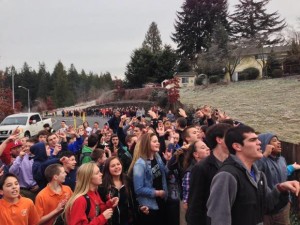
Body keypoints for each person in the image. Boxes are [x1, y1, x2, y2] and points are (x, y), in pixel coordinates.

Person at [206, 125, 300, 225]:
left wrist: (281, 188)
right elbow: (218, 218)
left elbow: (267, 206)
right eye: (252, 140)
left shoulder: (259, 175)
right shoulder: (227, 176)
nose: (259, 142)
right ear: (237, 146)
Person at [186, 123, 232, 225]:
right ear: (219, 140)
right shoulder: (201, 168)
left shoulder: (234, 164)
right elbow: (195, 204)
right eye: (230, 136)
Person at [256, 133, 300, 225]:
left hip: (283, 207)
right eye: (274, 141)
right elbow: (254, 171)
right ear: (265, 144)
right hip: (266, 210)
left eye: (279, 140)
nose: (279, 143)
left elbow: (282, 173)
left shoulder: (282, 160)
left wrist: (292, 167)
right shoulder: (260, 161)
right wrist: (265, 155)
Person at [128, 133, 171, 225]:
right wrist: (157, 193)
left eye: (157, 141)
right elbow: (138, 189)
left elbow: (163, 175)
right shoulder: (140, 164)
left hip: (161, 202)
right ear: (147, 144)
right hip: (150, 206)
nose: (158, 143)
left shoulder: (158, 157)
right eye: (154, 141)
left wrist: (168, 161)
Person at [98, 156, 135, 225]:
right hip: (111, 221)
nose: (117, 167)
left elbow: (133, 199)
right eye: (113, 166)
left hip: (127, 220)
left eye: (118, 164)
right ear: (107, 169)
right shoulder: (103, 185)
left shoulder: (127, 180)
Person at [182, 140, 210, 210]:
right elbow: (187, 201)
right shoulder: (190, 173)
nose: (208, 148)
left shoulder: (211, 166)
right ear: (196, 154)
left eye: (207, 146)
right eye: (203, 148)